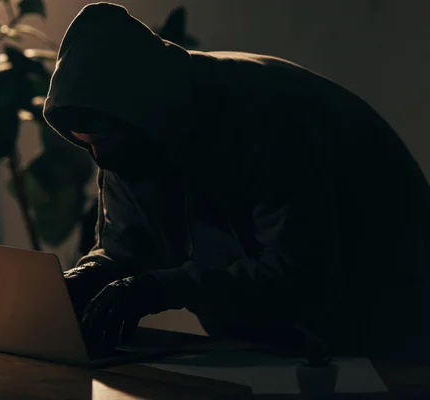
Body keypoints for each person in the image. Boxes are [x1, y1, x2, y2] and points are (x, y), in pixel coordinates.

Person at [43, 2, 430, 362]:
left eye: (104, 140)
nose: (100, 158)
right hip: (281, 335)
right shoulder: (126, 128)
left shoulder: (267, 118)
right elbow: (127, 247)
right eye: (85, 144)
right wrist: (83, 280)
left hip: (391, 308)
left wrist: (158, 289)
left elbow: (299, 271)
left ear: (142, 114)